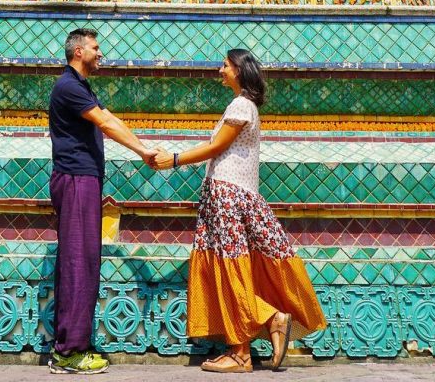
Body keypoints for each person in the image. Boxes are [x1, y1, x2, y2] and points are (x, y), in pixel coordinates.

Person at [152, 48, 327, 373]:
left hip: (226, 194)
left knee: (229, 269)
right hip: (238, 194)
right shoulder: (244, 106)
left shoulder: (240, 105)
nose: (220, 70)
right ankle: (242, 345)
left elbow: (216, 147)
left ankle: (252, 341)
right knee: (234, 268)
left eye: (225, 66)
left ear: (239, 70)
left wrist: (173, 159)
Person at [48, 27, 158, 375]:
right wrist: (143, 151)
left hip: (84, 180)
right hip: (77, 180)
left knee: (84, 262)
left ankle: (74, 343)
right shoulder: (68, 87)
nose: (101, 53)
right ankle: (68, 351)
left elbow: (111, 119)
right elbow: (107, 123)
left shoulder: (80, 87)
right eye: (96, 48)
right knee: (79, 263)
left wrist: (142, 144)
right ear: (78, 51)